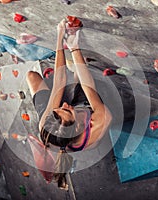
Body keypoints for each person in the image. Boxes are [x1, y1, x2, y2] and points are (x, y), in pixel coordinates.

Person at [26, 19, 112, 190]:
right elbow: (89, 87)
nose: (64, 104)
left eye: (59, 108)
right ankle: (76, 86)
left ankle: (72, 86)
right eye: (67, 110)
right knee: (80, 84)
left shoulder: (47, 125)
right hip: (87, 113)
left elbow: (59, 82)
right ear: (80, 124)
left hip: (62, 125)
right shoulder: (100, 120)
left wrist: (59, 38)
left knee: (31, 76)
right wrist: (74, 48)